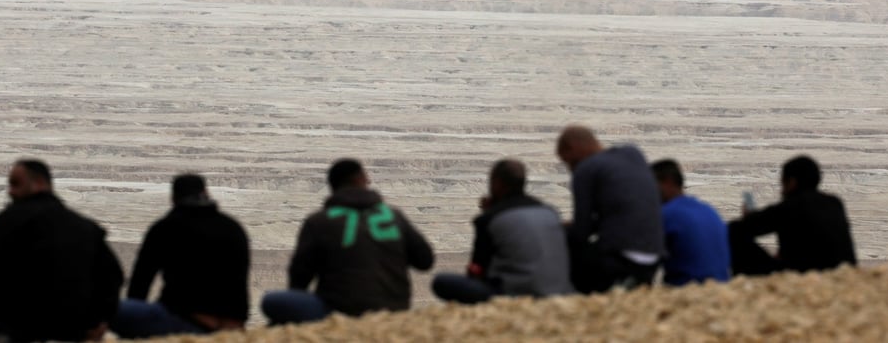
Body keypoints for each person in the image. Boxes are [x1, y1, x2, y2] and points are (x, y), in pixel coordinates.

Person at [0, 159, 124, 343]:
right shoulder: (84, 226)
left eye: (16, 184)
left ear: (39, 183)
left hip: (21, 325)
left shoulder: (9, 220)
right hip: (76, 326)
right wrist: (100, 320)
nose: (10, 191)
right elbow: (113, 276)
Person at [261, 158, 434, 324]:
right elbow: (425, 261)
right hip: (394, 309)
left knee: (273, 301)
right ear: (361, 180)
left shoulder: (319, 221)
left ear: (333, 186)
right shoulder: (393, 217)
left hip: (337, 311)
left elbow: (299, 278)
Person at [110, 174, 250, 339]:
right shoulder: (233, 227)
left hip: (186, 321)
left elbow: (140, 282)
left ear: (173, 198)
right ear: (206, 193)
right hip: (232, 325)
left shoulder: (165, 228)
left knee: (112, 310)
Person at [432, 159, 573, 304]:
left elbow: (478, 270)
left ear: (497, 183)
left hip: (513, 295)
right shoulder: (549, 212)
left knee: (442, 282)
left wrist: (488, 212)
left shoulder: (490, 219)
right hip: (558, 292)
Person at [556, 125, 664, 293]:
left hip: (619, 259)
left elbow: (581, 233)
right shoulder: (633, 153)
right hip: (653, 258)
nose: (570, 168)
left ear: (573, 148)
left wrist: (558, 232)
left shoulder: (585, 170)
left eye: (568, 161)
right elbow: (622, 213)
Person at [728, 155, 856, 275]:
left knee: (731, 233)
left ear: (792, 182)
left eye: (783, 184)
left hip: (801, 277)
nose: (782, 191)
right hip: (843, 276)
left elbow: (742, 228)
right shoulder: (835, 203)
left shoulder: (791, 206)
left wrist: (749, 217)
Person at [651, 159, 731, 285]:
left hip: (689, 289)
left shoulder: (668, 214)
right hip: (721, 289)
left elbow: (644, 258)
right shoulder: (708, 210)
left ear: (668, 182)